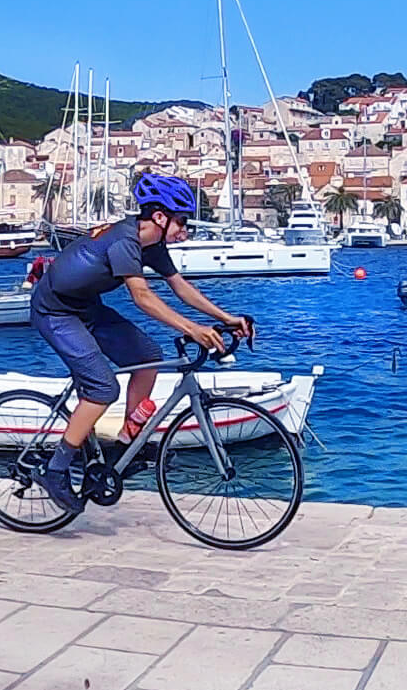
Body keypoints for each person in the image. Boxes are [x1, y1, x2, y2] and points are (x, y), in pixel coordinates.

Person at [29, 171, 253, 514]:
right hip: (55, 312)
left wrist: (227, 318)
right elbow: (142, 297)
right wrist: (192, 329)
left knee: (148, 357)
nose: (185, 231)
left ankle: (127, 442)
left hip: (86, 308)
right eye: (181, 222)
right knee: (103, 388)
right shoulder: (126, 241)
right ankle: (56, 470)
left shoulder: (153, 245)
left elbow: (180, 286)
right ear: (160, 217)